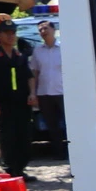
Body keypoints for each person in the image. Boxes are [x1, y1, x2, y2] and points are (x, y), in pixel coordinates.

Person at [0, 14, 35, 177]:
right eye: (6, 32)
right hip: (4, 103)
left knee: (24, 136)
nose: (11, 36)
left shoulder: (19, 56)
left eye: (13, 32)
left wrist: (32, 93)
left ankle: (21, 168)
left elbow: (29, 76)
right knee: (8, 136)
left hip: (22, 102)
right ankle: (10, 169)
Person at [29, 17, 65, 146]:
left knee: (70, 123)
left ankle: (74, 151)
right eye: (40, 30)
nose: (43, 31)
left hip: (63, 92)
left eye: (46, 28)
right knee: (52, 125)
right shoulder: (37, 51)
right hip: (44, 94)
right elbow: (34, 73)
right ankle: (58, 151)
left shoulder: (64, 48)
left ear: (54, 30)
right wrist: (33, 93)